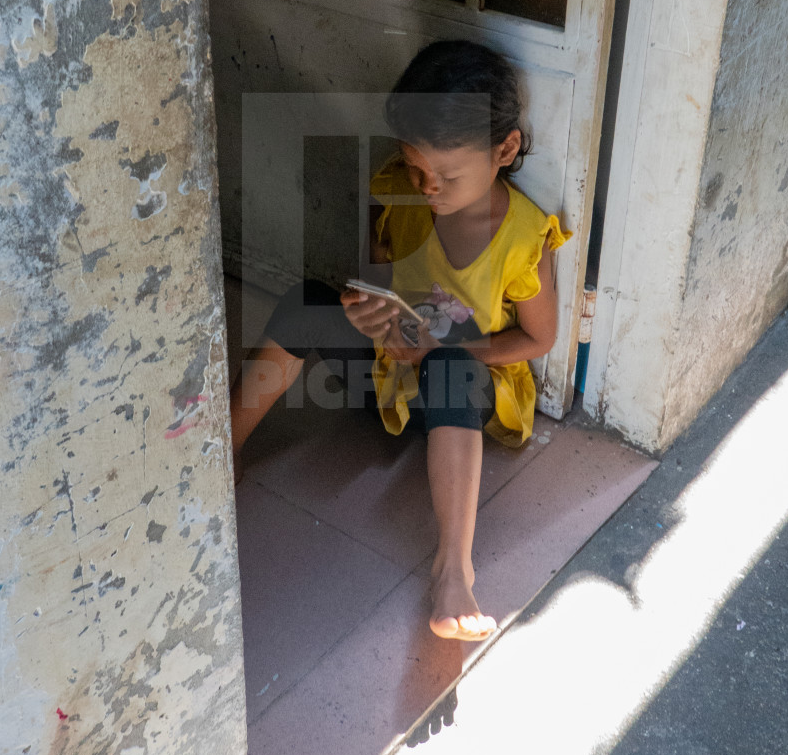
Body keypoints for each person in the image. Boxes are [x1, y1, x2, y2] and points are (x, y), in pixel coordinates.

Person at [229, 39, 572, 643]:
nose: (428, 187)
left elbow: (538, 339)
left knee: (451, 371)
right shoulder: (396, 189)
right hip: (389, 373)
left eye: (446, 175)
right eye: (417, 169)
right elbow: (376, 281)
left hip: (460, 396)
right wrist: (368, 314)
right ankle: (218, 454)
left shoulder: (523, 237)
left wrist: (448, 349)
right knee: (304, 301)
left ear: (505, 150)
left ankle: (454, 573)